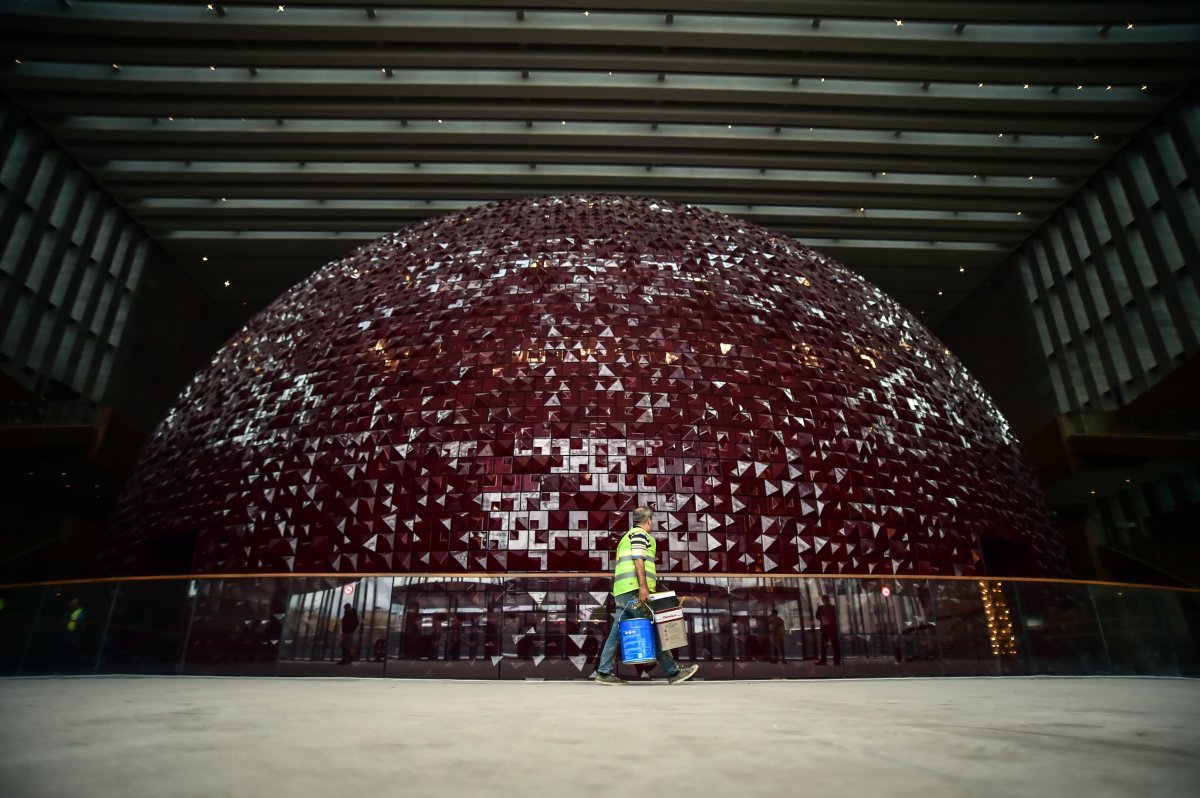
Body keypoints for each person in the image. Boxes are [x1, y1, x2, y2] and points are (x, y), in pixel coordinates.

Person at [595, 506, 699, 686]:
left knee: (616, 634)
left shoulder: (626, 537)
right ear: (649, 520)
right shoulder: (640, 535)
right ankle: (673, 672)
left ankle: (604, 672)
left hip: (623, 591)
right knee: (654, 626)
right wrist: (643, 587)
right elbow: (638, 559)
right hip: (634, 591)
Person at [814, 594, 841, 665]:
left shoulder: (823, 608)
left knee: (828, 645)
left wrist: (824, 619)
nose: (824, 601)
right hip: (829, 628)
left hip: (828, 628)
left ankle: (827, 660)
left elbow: (817, 616)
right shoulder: (832, 608)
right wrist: (824, 619)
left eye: (824, 599)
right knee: (831, 645)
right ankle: (835, 660)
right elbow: (817, 616)